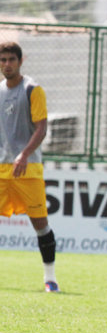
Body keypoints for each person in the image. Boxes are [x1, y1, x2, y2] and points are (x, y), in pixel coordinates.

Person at [0, 41, 58, 292]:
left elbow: (42, 128)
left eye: (11, 59)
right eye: (3, 60)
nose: (7, 64)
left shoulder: (32, 89)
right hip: (2, 168)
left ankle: (50, 279)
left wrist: (23, 154)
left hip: (28, 168)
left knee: (40, 223)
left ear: (21, 61)